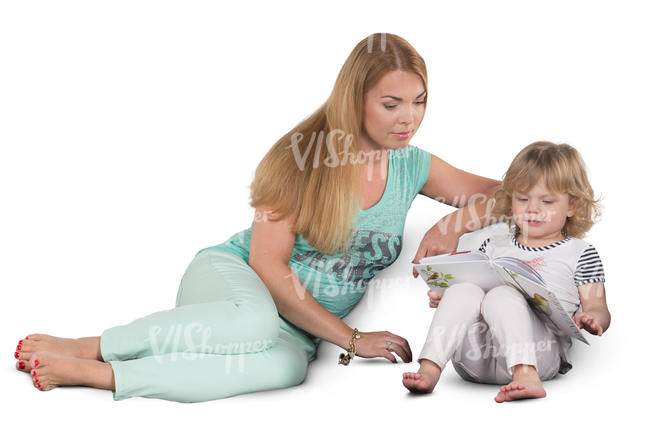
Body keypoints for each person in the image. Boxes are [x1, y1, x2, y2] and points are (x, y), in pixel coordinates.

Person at [13, 33, 500, 403]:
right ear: (356, 100)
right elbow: (270, 269)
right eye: (391, 104)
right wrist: (353, 339)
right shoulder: (303, 159)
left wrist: (450, 223)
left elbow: (513, 193)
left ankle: (107, 376)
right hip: (234, 281)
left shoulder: (413, 165)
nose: (408, 119)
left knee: (286, 369)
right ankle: (92, 346)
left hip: (297, 327)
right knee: (255, 325)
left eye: (418, 103)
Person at [402, 141, 611, 403]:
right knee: (463, 289)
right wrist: (446, 297)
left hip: (538, 354)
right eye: (522, 199)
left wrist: (592, 317)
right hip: (476, 359)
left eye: (547, 201)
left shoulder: (580, 253)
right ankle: (430, 368)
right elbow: (473, 290)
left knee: (503, 294)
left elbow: (598, 307)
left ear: (572, 206)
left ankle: (525, 375)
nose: (532, 209)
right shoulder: (494, 245)